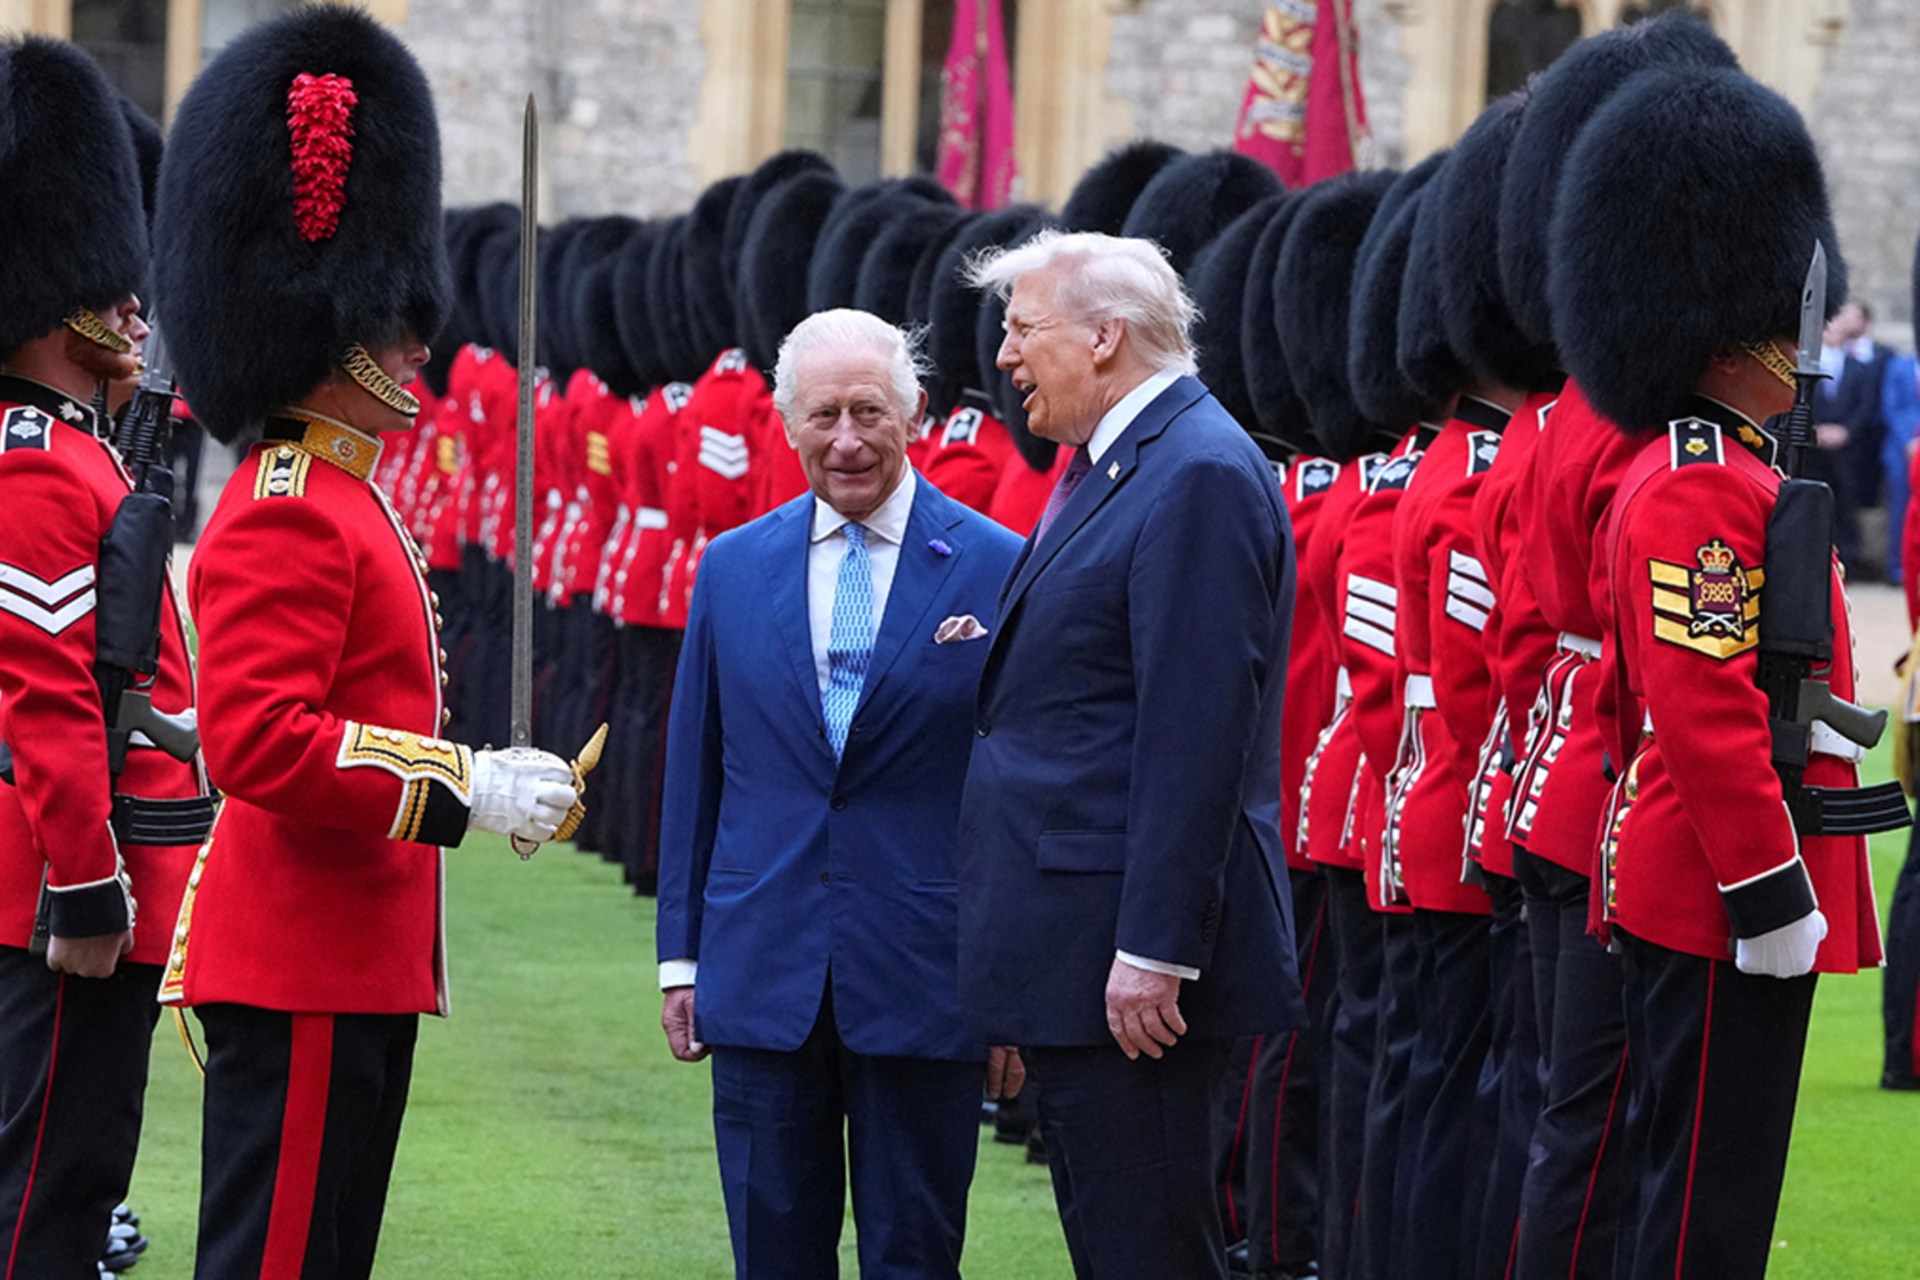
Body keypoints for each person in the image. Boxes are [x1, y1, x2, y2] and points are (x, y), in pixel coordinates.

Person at [150, 9, 580, 1274]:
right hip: (301, 961)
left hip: (354, 959)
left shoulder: (348, 496)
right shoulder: (288, 506)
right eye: (390, 322)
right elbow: (259, 744)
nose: (414, 341)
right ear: (327, 334)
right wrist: (465, 786)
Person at [1555, 64, 1899, 1279]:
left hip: (1712, 874)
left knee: (1704, 1191)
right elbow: (1702, 715)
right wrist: (1771, 894)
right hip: (1716, 888)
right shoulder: (1702, 478)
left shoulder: (1730, 469)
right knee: (1704, 1204)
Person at [959, 230, 1302, 1280]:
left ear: (1104, 336)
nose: (1007, 356)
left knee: (1148, 1247)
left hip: (1130, 965)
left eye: (1024, 329)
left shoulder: (1193, 472)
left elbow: (1195, 732)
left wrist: (1157, 946)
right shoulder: (1124, 465)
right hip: (1075, 943)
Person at [655, 307, 1025, 1279]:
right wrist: (679, 959)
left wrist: (1015, 981)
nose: (849, 439)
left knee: (915, 1254)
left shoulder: (997, 564)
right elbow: (697, 771)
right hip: (762, 966)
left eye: (870, 411)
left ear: (913, 415)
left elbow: (1017, 792)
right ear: (787, 423)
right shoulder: (732, 569)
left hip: (927, 974)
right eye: (825, 415)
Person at [0, 35, 214, 1277]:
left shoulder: (82, 446)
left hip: (108, 882)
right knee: (42, 1199)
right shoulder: (36, 456)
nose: (138, 309)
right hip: (67, 893)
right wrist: (82, 887)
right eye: (118, 287)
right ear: (58, 293)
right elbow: (47, 694)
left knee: (75, 1184)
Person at [1810, 299, 1892, 575]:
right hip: (1814, 446)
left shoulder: (1857, 365)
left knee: (1847, 503)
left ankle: (1851, 559)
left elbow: (1866, 405)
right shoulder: (1806, 366)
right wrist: (1816, 431)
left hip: (1848, 447)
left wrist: (1846, 431)